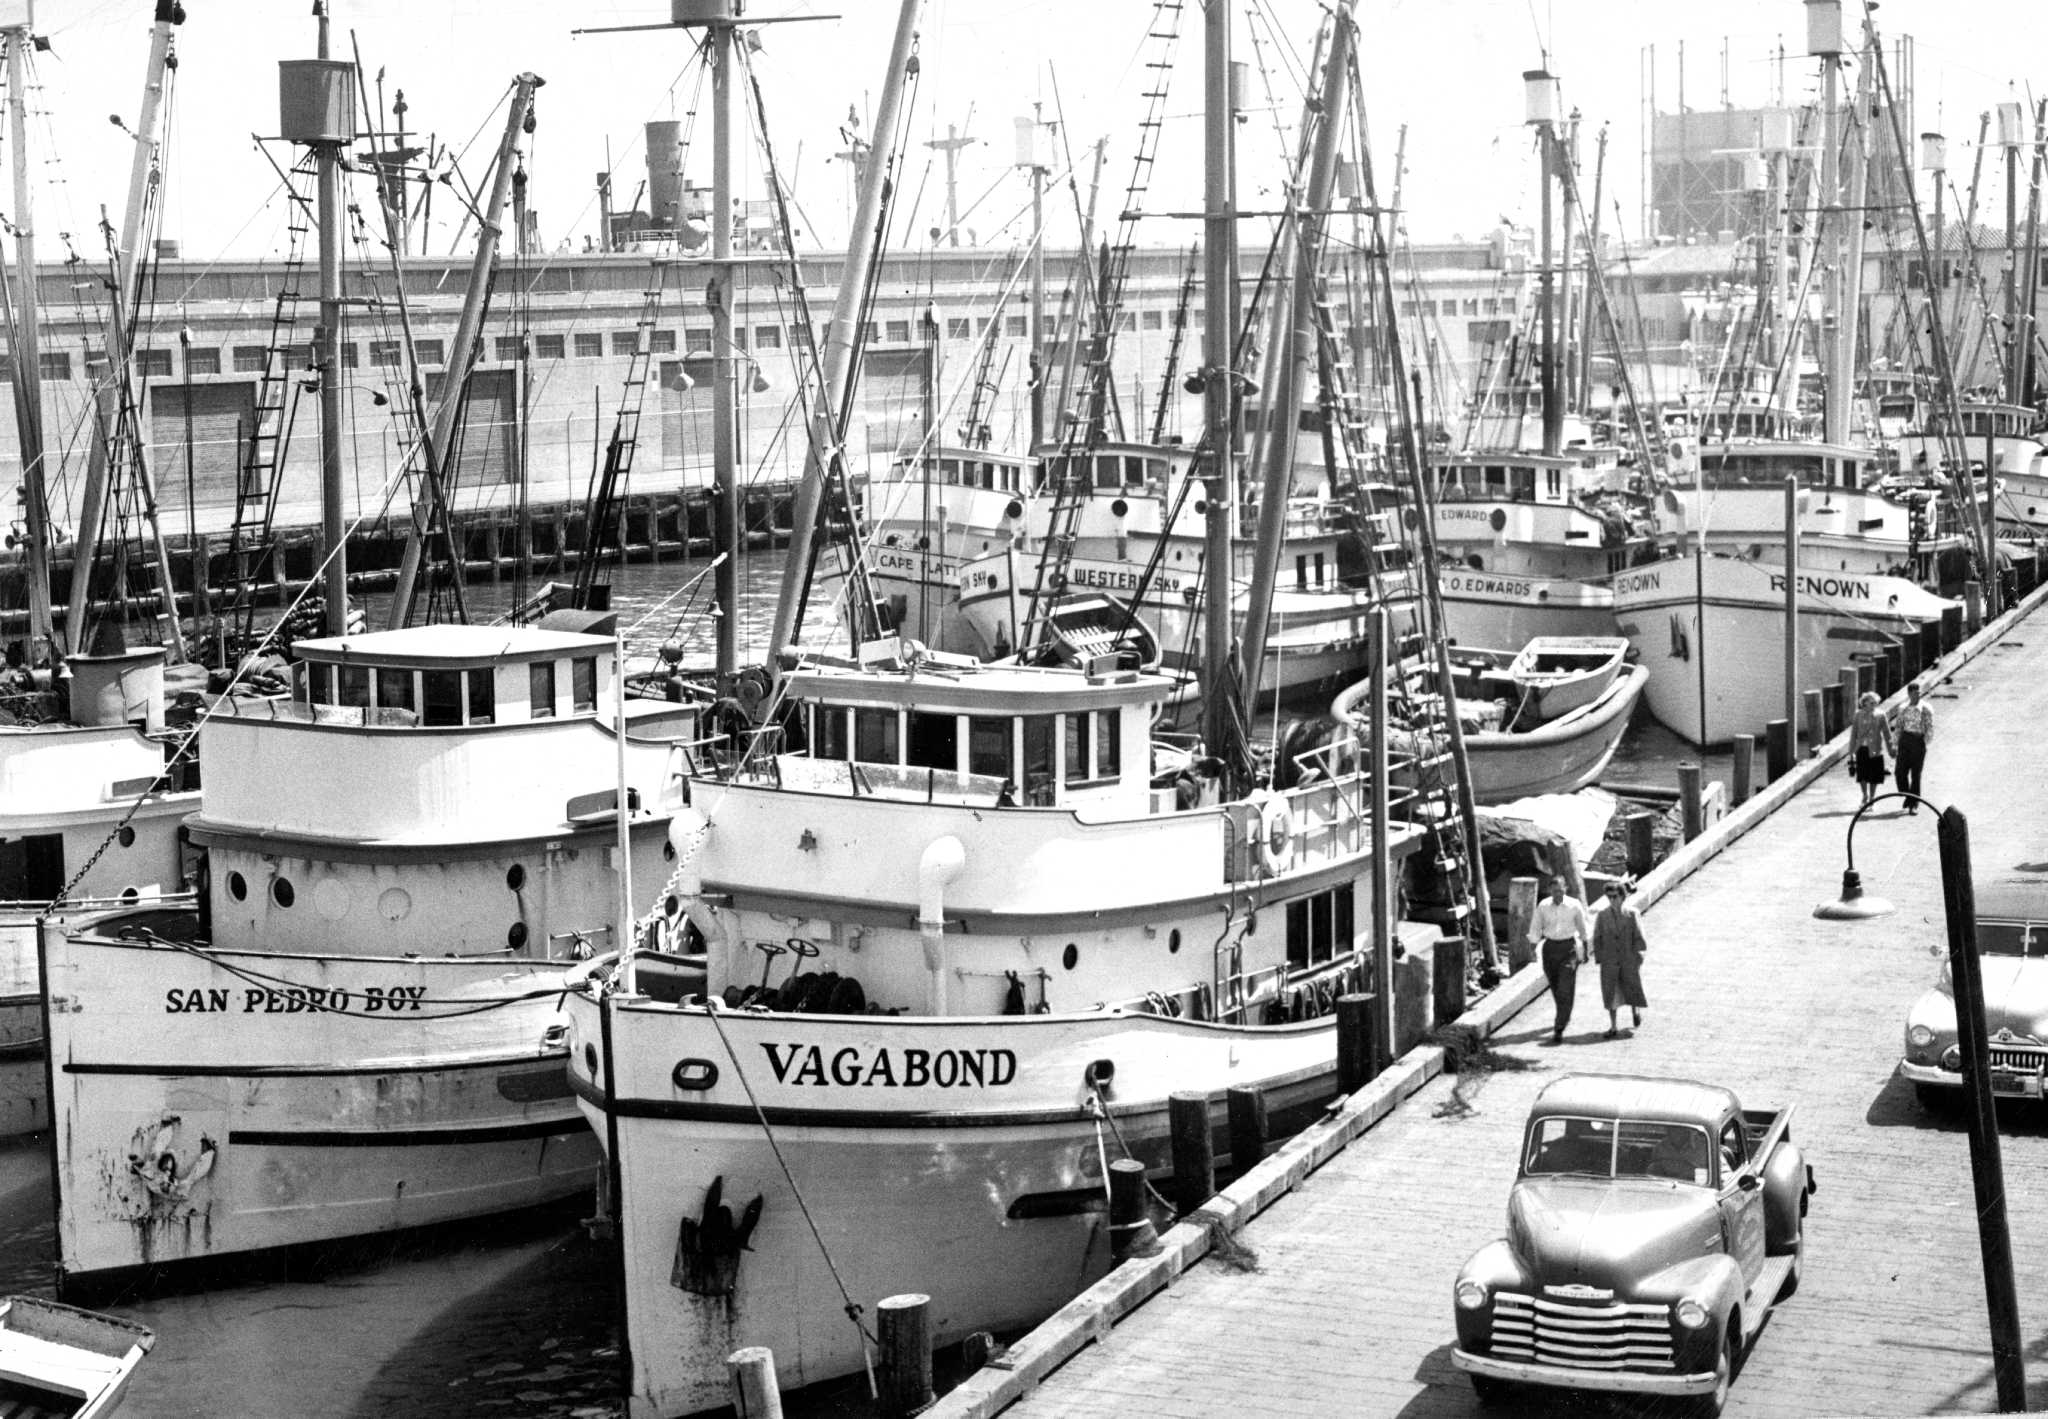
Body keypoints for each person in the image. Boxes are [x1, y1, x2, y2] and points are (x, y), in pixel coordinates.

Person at [1526, 877, 1591, 1045]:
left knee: (1565, 987)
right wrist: (1532, 948)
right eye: (1555, 891)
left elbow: (1583, 928)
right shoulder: (1543, 906)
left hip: (1568, 948)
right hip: (1550, 949)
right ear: (1550, 891)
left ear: (1566, 889)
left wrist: (1585, 949)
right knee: (1555, 987)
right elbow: (1535, 927)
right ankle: (1564, 1014)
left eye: (1561, 890)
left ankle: (1559, 1027)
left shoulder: (1574, 905)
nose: (1558, 894)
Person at [1592, 879, 1649, 1039]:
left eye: (1615, 896)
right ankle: (1613, 1026)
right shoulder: (1602, 916)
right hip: (1610, 961)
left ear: (1622, 897)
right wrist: (1600, 958)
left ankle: (1635, 1010)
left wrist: (1639, 957)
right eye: (1609, 897)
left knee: (1631, 987)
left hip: (1628, 959)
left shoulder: (1632, 914)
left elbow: (1640, 937)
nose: (1612, 900)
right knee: (1611, 994)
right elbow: (1597, 937)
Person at [1849, 689, 1892, 808]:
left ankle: (1872, 798)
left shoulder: (1880, 715)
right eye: (1872, 703)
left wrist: (1891, 749)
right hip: (1861, 748)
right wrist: (1851, 752)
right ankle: (1864, 795)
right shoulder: (1858, 714)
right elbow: (1854, 734)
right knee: (1862, 774)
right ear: (1865, 703)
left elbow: (1887, 733)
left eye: (1876, 703)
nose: (1874, 705)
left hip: (1875, 749)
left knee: (1874, 775)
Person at [1895, 680, 1934, 811]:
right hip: (1905, 740)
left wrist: (1925, 742)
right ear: (1909, 694)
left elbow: (1929, 727)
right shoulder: (1902, 708)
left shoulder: (1926, 708)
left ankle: (1913, 804)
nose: (1917, 695)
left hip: (1918, 740)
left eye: (1919, 692)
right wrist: (1896, 743)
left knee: (1916, 774)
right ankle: (1907, 795)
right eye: (1914, 693)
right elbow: (1899, 726)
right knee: (1900, 772)